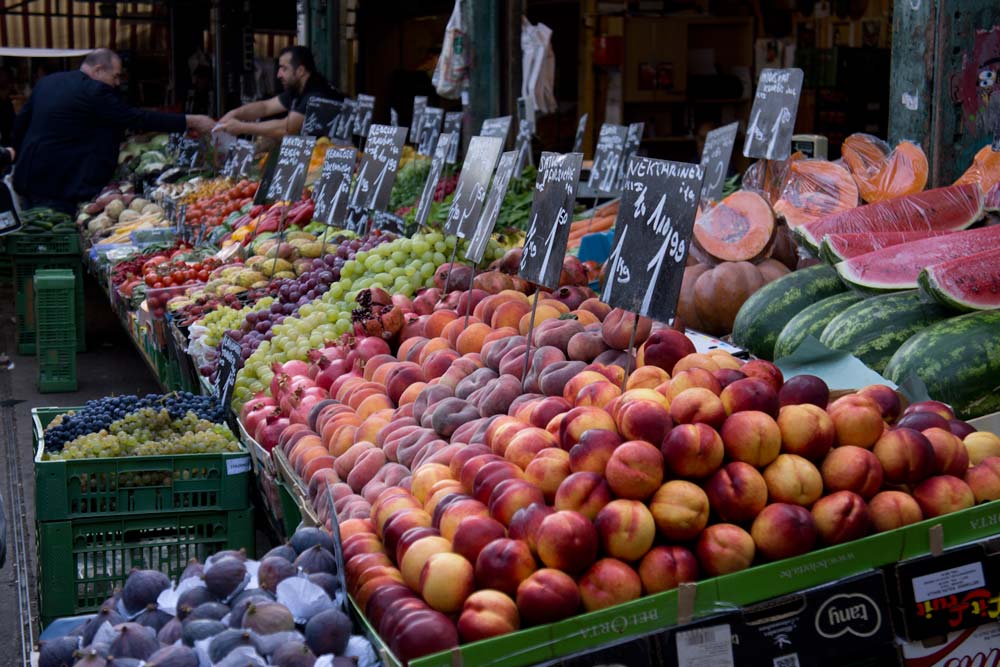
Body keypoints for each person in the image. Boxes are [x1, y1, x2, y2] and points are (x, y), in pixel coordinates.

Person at [11, 49, 215, 215]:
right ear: (99, 70)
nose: (117, 83)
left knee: (35, 231)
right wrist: (190, 120)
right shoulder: (94, 91)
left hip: (29, 177)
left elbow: (20, 124)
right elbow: (135, 118)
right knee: (52, 233)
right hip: (58, 186)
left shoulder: (48, 82)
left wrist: (14, 153)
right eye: (115, 76)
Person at [216, 46, 342, 139]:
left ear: (300, 71)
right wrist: (234, 113)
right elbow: (265, 107)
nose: (278, 74)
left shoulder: (316, 94)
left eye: (284, 68)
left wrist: (242, 127)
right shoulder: (298, 89)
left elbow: (286, 129)